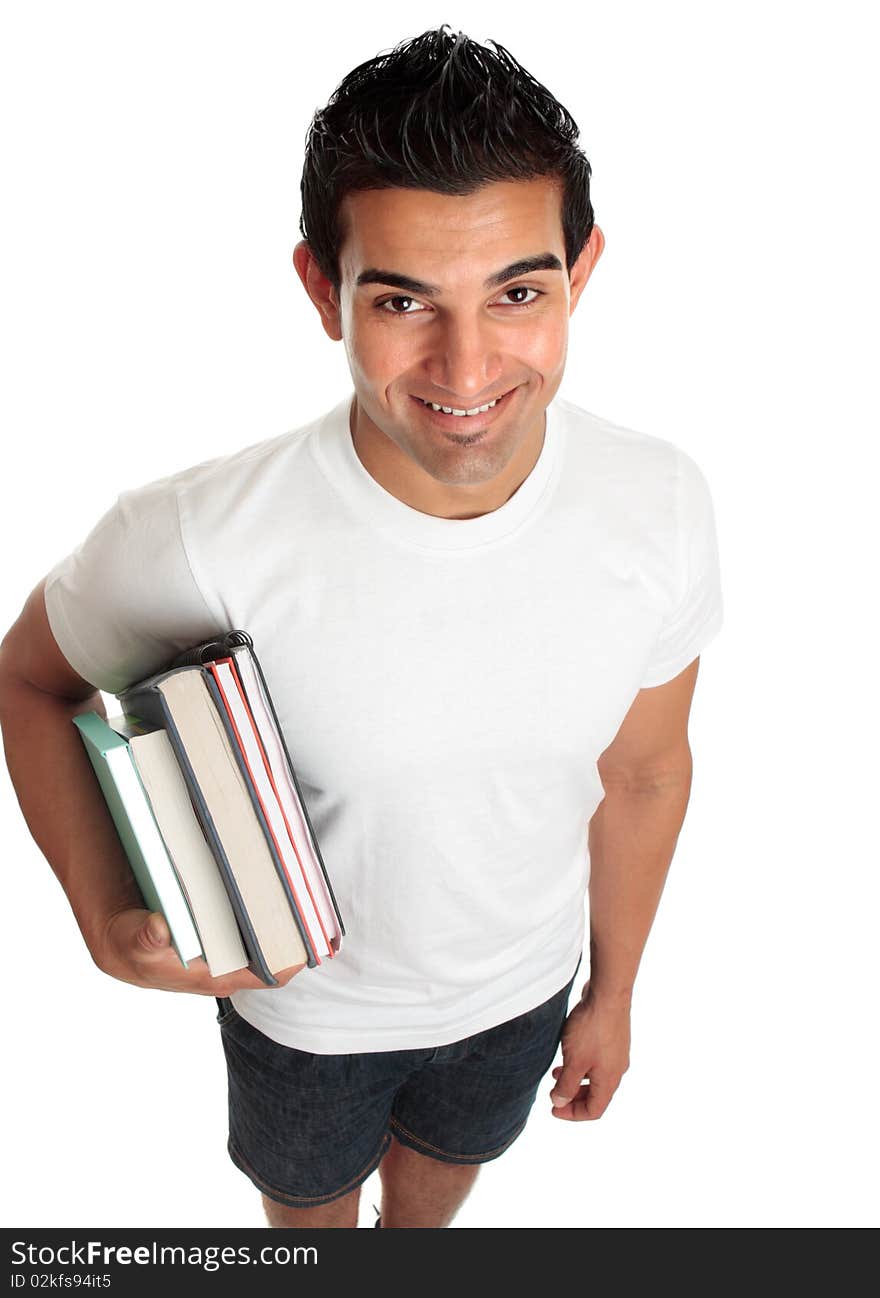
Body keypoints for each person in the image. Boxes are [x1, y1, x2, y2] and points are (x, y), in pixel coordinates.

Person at [0, 26, 723, 1229]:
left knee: (427, 1216)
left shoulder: (659, 501)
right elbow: (29, 680)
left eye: (519, 291)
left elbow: (643, 769)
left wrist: (613, 991)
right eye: (402, 299)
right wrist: (99, 916)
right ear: (319, 287)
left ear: (580, 271)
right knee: (314, 1228)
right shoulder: (196, 534)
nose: (468, 363)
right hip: (304, 1019)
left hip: (519, 999)